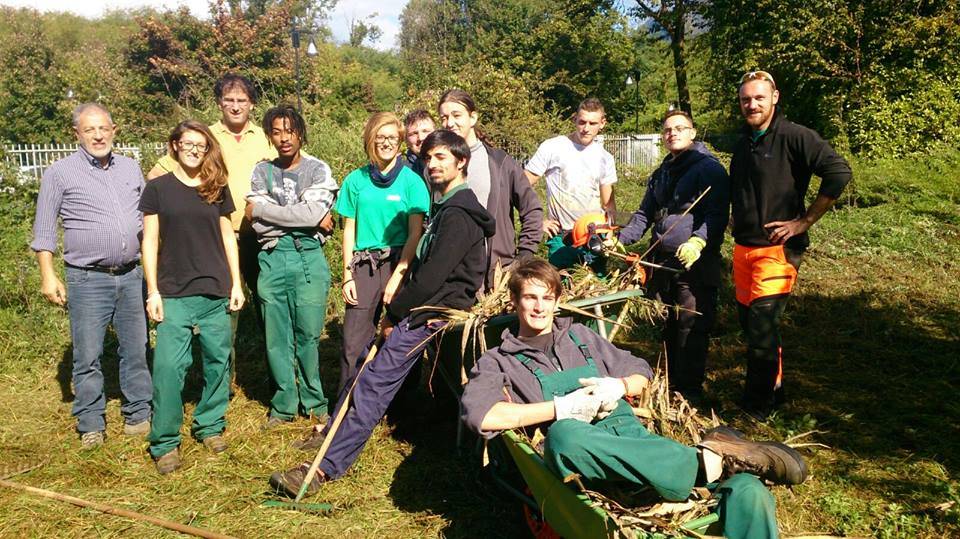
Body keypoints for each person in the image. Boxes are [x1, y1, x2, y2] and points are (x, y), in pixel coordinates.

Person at [461, 258, 807, 539]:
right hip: (584, 459)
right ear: (514, 301)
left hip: (637, 445)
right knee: (564, 435)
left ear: (557, 301)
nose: (539, 307)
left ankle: (712, 469)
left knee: (749, 490)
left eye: (547, 298)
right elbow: (482, 415)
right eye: (530, 297)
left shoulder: (581, 336)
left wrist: (620, 385)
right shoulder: (498, 360)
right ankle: (704, 464)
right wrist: (561, 407)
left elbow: (641, 372)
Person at [268, 129, 496, 493]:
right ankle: (332, 430)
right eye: (429, 158)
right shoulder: (447, 207)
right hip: (425, 306)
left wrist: (395, 314)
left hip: (435, 312)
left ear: (462, 161)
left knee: (375, 381)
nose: (432, 164)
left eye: (441, 157)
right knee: (365, 365)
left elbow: (433, 277)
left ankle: (322, 470)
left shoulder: (459, 215)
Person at [730, 71, 852, 419]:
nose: (752, 105)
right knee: (752, 326)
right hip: (743, 249)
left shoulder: (794, 136)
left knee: (762, 327)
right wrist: (736, 214)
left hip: (778, 251)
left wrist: (803, 221)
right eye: (746, 99)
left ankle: (756, 409)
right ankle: (775, 389)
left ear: (775, 97)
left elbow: (839, 172)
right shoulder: (744, 142)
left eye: (759, 98)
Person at [31, 103, 153, 448]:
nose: (98, 136)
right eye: (89, 130)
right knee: (87, 355)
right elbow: (44, 229)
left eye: (103, 128)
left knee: (137, 348)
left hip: (131, 274)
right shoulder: (60, 173)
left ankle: (138, 413)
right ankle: (91, 423)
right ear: (77, 134)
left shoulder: (130, 167)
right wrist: (47, 275)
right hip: (87, 278)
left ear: (114, 130)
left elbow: (148, 221)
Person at [147, 74, 279, 383]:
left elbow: (290, 166)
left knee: (268, 306)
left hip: (261, 235)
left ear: (252, 104)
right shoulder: (205, 137)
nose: (235, 106)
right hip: (220, 237)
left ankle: (275, 379)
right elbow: (158, 174)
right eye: (229, 100)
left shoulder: (264, 137)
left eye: (242, 100)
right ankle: (224, 381)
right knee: (225, 313)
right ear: (219, 103)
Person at [140, 120, 245, 474]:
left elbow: (228, 237)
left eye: (201, 145)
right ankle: (165, 441)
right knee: (169, 367)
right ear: (174, 145)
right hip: (173, 290)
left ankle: (210, 425)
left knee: (218, 361)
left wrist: (236, 284)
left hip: (215, 289)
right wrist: (152, 291)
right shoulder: (158, 188)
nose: (194, 150)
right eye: (188, 143)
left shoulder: (216, 187)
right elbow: (149, 240)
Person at [618, 110, 729, 398]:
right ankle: (669, 386)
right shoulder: (662, 172)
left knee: (691, 325)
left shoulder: (709, 169)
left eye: (680, 128)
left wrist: (698, 242)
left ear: (693, 133)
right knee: (668, 324)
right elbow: (644, 214)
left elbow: (717, 214)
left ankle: (689, 392)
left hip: (695, 264)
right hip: (663, 263)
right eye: (668, 129)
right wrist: (621, 240)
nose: (673, 133)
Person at [245, 105, 339, 429]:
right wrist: (304, 218)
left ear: (300, 133)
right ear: (269, 136)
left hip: (308, 257)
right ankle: (283, 405)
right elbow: (256, 223)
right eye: (276, 132)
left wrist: (263, 211)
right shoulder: (262, 171)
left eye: (290, 131)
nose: (284, 138)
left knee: (309, 333)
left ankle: (314, 403)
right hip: (272, 257)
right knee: (276, 335)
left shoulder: (317, 169)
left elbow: (313, 214)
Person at [335, 112, 431, 393]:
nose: (386, 143)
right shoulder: (355, 180)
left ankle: (401, 405)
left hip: (401, 264)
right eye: (380, 137)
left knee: (401, 336)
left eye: (392, 137)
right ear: (370, 140)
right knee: (353, 341)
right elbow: (348, 230)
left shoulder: (412, 182)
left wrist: (399, 274)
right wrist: (347, 274)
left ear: (400, 142)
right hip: (364, 265)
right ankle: (348, 402)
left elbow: (415, 233)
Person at [437, 89, 543, 286]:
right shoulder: (436, 166)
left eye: (456, 115)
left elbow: (531, 209)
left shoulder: (500, 163)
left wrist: (525, 254)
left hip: (494, 275)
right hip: (451, 277)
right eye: (444, 118)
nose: (449, 123)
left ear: (473, 117)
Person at [525, 98, 618, 269]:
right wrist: (538, 221)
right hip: (561, 235)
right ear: (575, 119)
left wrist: (610, 236)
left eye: (592, 123)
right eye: (582, 122)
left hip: (594, 235)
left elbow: (608, 204)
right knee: (558, 282)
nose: (586, 128)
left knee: (596, 284)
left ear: (602, 123)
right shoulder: (553, 147)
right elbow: (522, 186)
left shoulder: (605, 158)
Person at [402, 109, 435, 182]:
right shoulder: (401, 170)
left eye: (425, 131)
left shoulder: (449, 161)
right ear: (406, 139)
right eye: (414, 133)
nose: (421, 138)